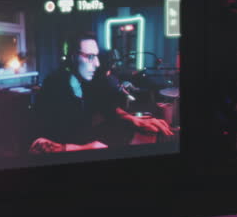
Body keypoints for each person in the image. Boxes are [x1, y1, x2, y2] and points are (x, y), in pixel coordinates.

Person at [30, 33, 173, 154]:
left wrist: (136, 120)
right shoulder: (54, 85)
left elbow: (108, 108)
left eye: (96, 56)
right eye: (90, 57)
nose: (97, 63)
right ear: (73, 57)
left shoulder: (88, 82)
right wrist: (82, 148)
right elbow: (36, 143)